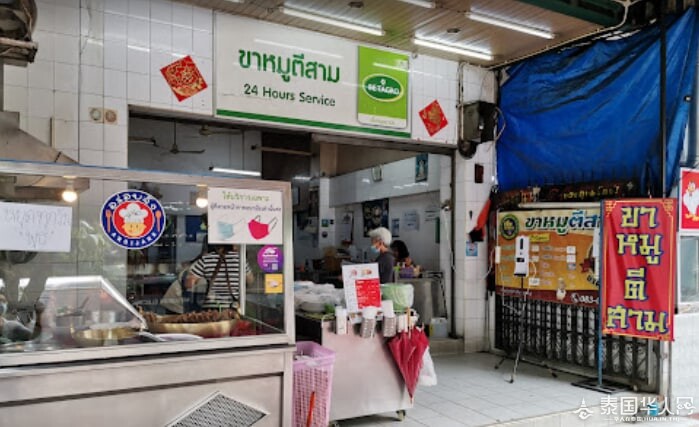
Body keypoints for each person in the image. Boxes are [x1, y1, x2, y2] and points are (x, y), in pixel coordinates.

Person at [185, 244, 254, 310]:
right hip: (232, 306)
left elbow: (189, 284)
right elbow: (250, 280)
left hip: (211, 306)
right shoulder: (240, 259)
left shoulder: (206, 259)